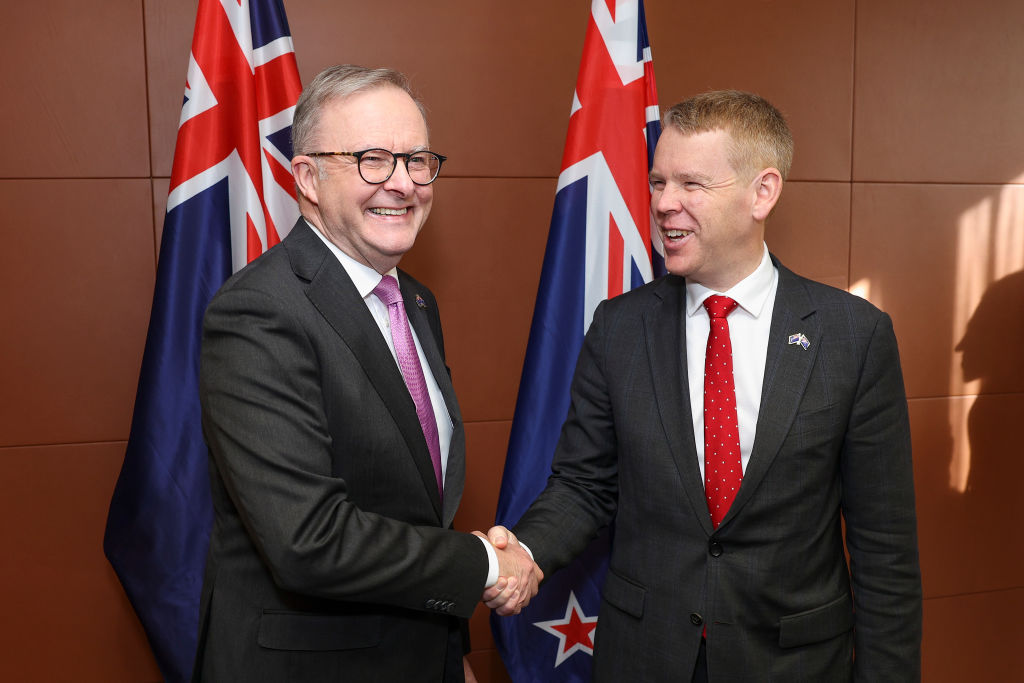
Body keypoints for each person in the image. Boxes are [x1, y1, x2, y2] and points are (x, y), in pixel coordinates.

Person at [486, 90, 922, 681]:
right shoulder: (620, 327)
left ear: (762, 192)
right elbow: (585, 485)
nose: (664, 204)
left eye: (691, 185)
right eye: (658, 181)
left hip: (792, 663)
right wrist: (528, 553)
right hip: (646, 657)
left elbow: (884, 551)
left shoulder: (854, 336)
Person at [192, 65, 539, 682]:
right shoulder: (259, 311)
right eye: (373, 160)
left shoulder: (415, 302)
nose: (403, 184)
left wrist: (448, 651)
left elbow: (416, 505)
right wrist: (484, 564)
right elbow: (309, 540)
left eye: (417, 160)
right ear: (308, 179)